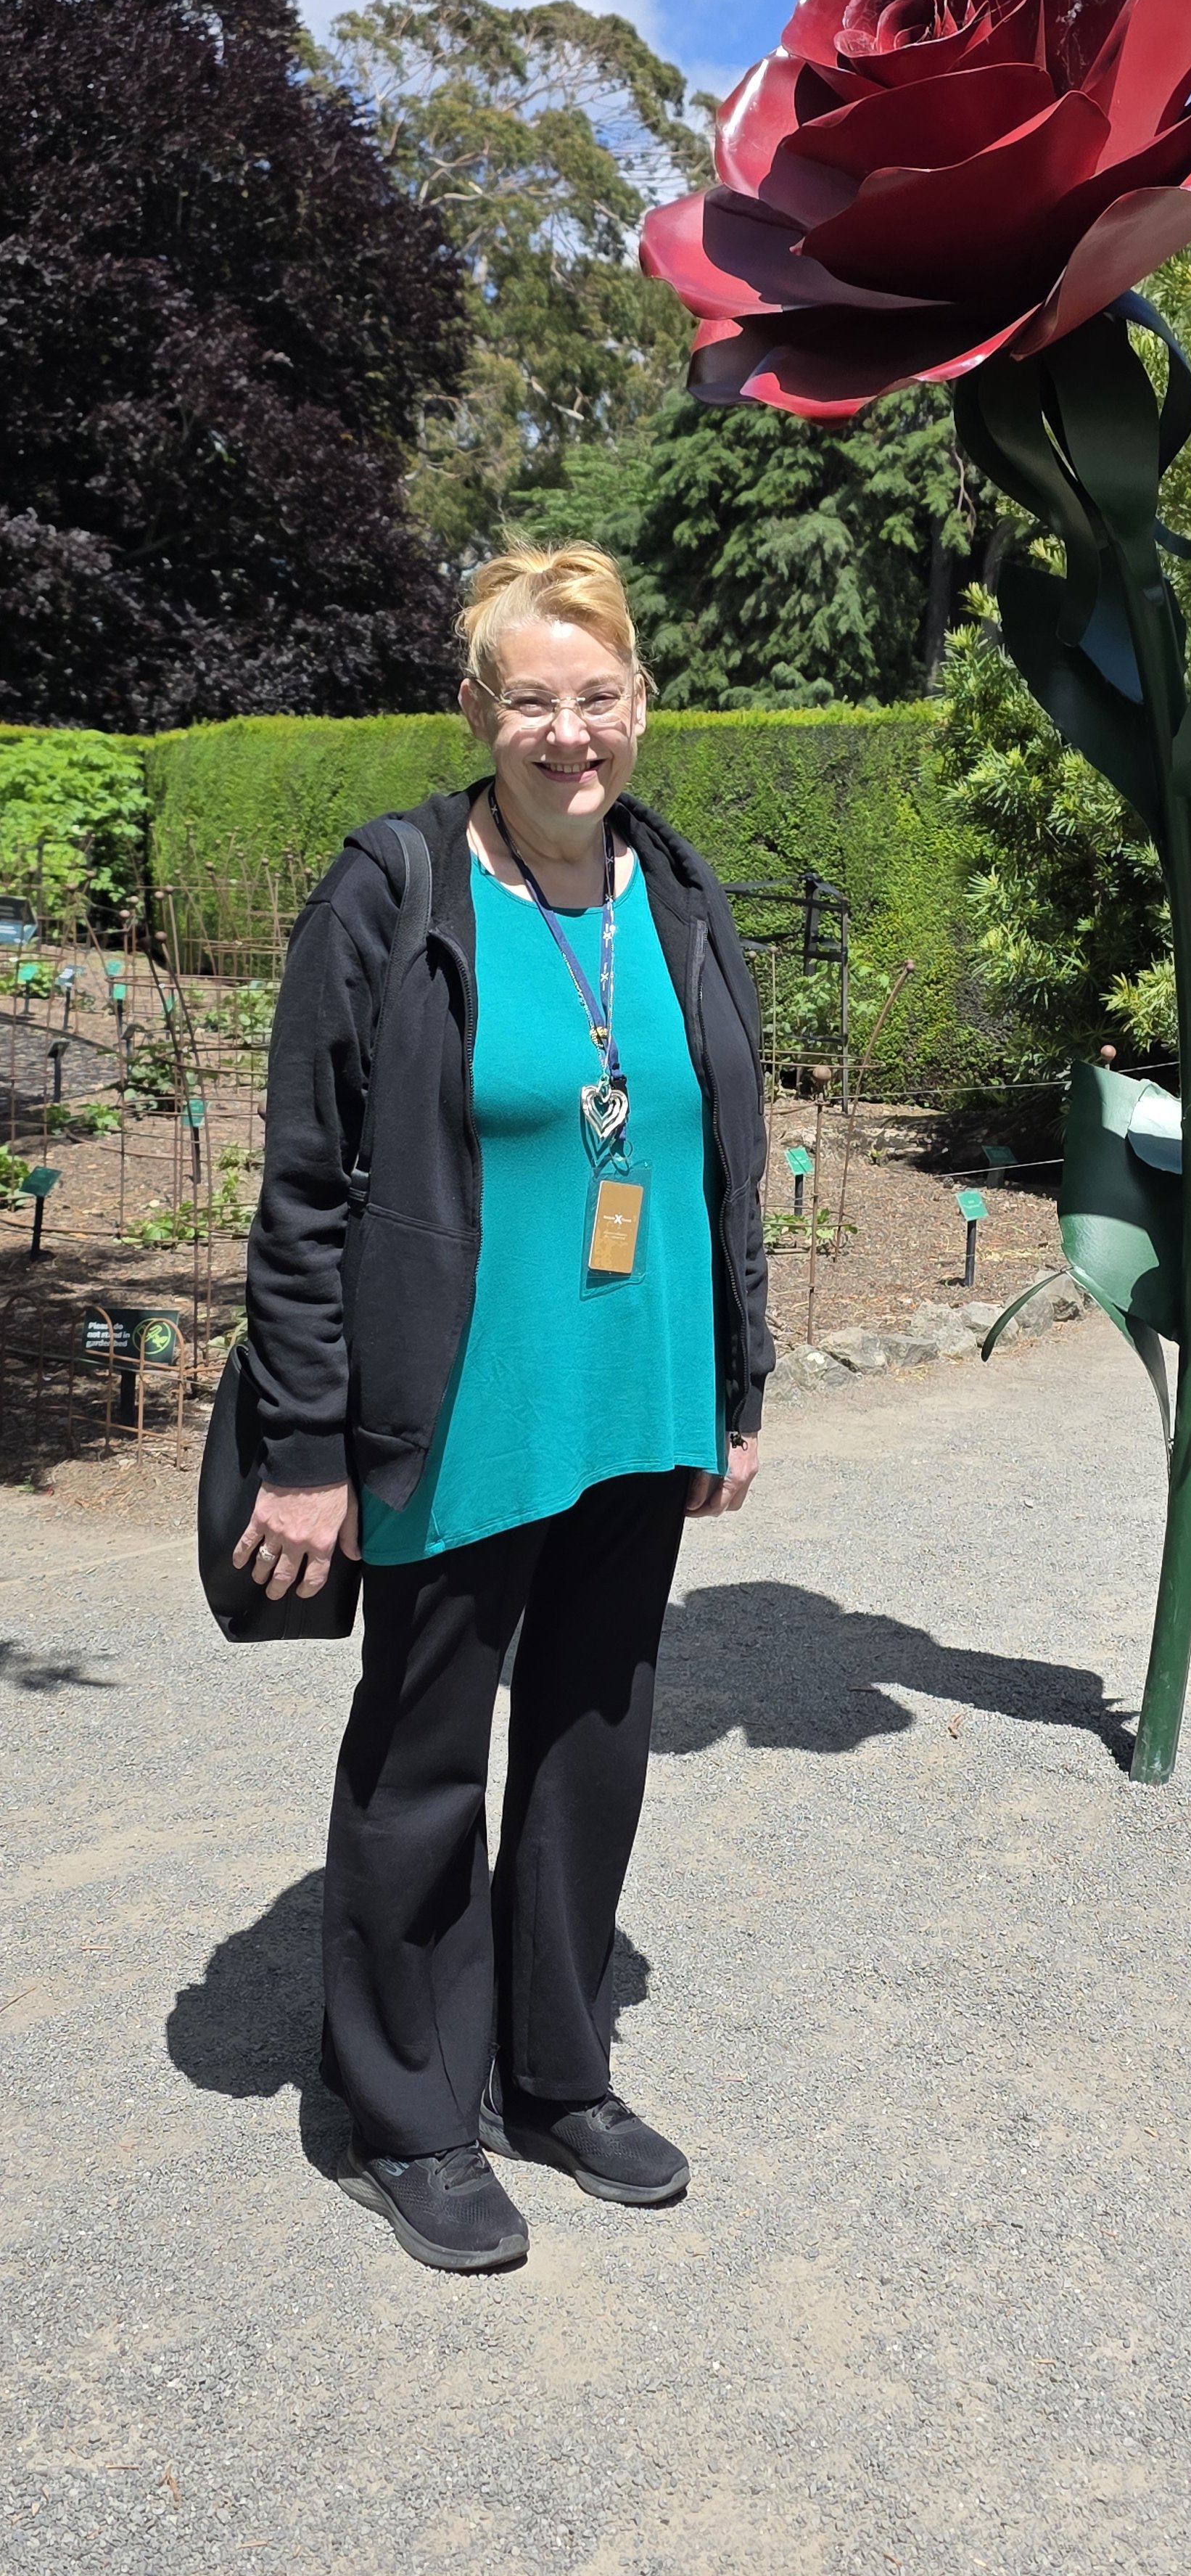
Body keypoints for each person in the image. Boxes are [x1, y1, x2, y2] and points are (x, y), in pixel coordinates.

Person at [231, 540, 773, 2272]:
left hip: (638, 1399)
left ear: (642, 703)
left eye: (596, 694)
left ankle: (554, 2069)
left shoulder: (672, 889)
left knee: (592, 1743)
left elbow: (721, 1148)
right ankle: (405, 2109)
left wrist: (737, 1382)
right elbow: (304, 1191)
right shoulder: (394, 888)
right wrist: (304, 1449)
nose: (568, 730)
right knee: (420, 1758)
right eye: (531, 698)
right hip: (461, 1407)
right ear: (477, 710)